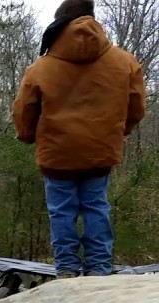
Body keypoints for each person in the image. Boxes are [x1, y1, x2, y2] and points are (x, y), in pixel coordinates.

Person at [12, 0, 147, 278]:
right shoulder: (125, 62)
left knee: (62, 211)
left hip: (57, 152)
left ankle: (67, 269)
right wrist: (119, 131)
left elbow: (25, 110)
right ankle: (98, 267)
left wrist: (27, 136)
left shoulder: (41, 68)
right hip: (100, 151)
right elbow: (136, 108)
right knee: (96, 205)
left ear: (59, 24)